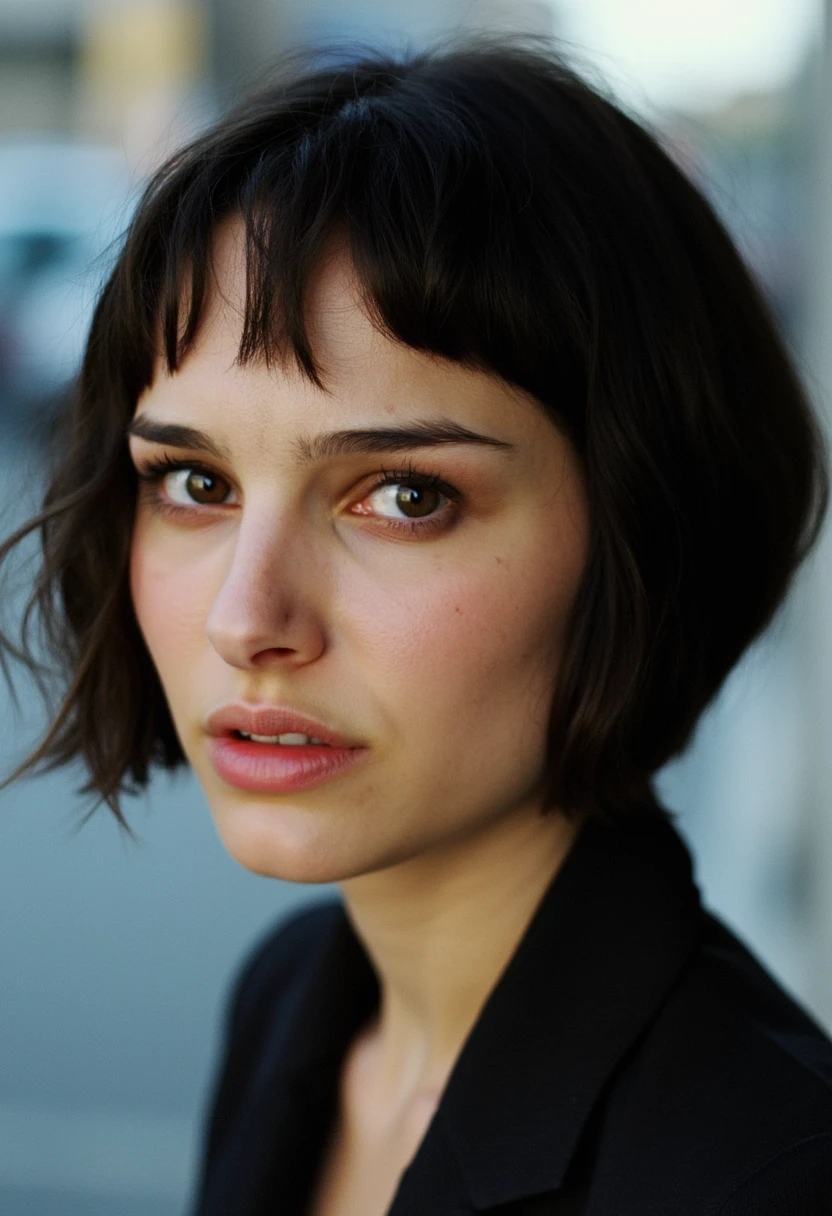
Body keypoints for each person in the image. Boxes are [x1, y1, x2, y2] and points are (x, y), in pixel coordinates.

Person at [1, 36, 831, 1216]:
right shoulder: (296, 1003)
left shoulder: (765, 1173)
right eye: (196, 484)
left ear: (648, 529)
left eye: (404, 496)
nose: (249, 619)